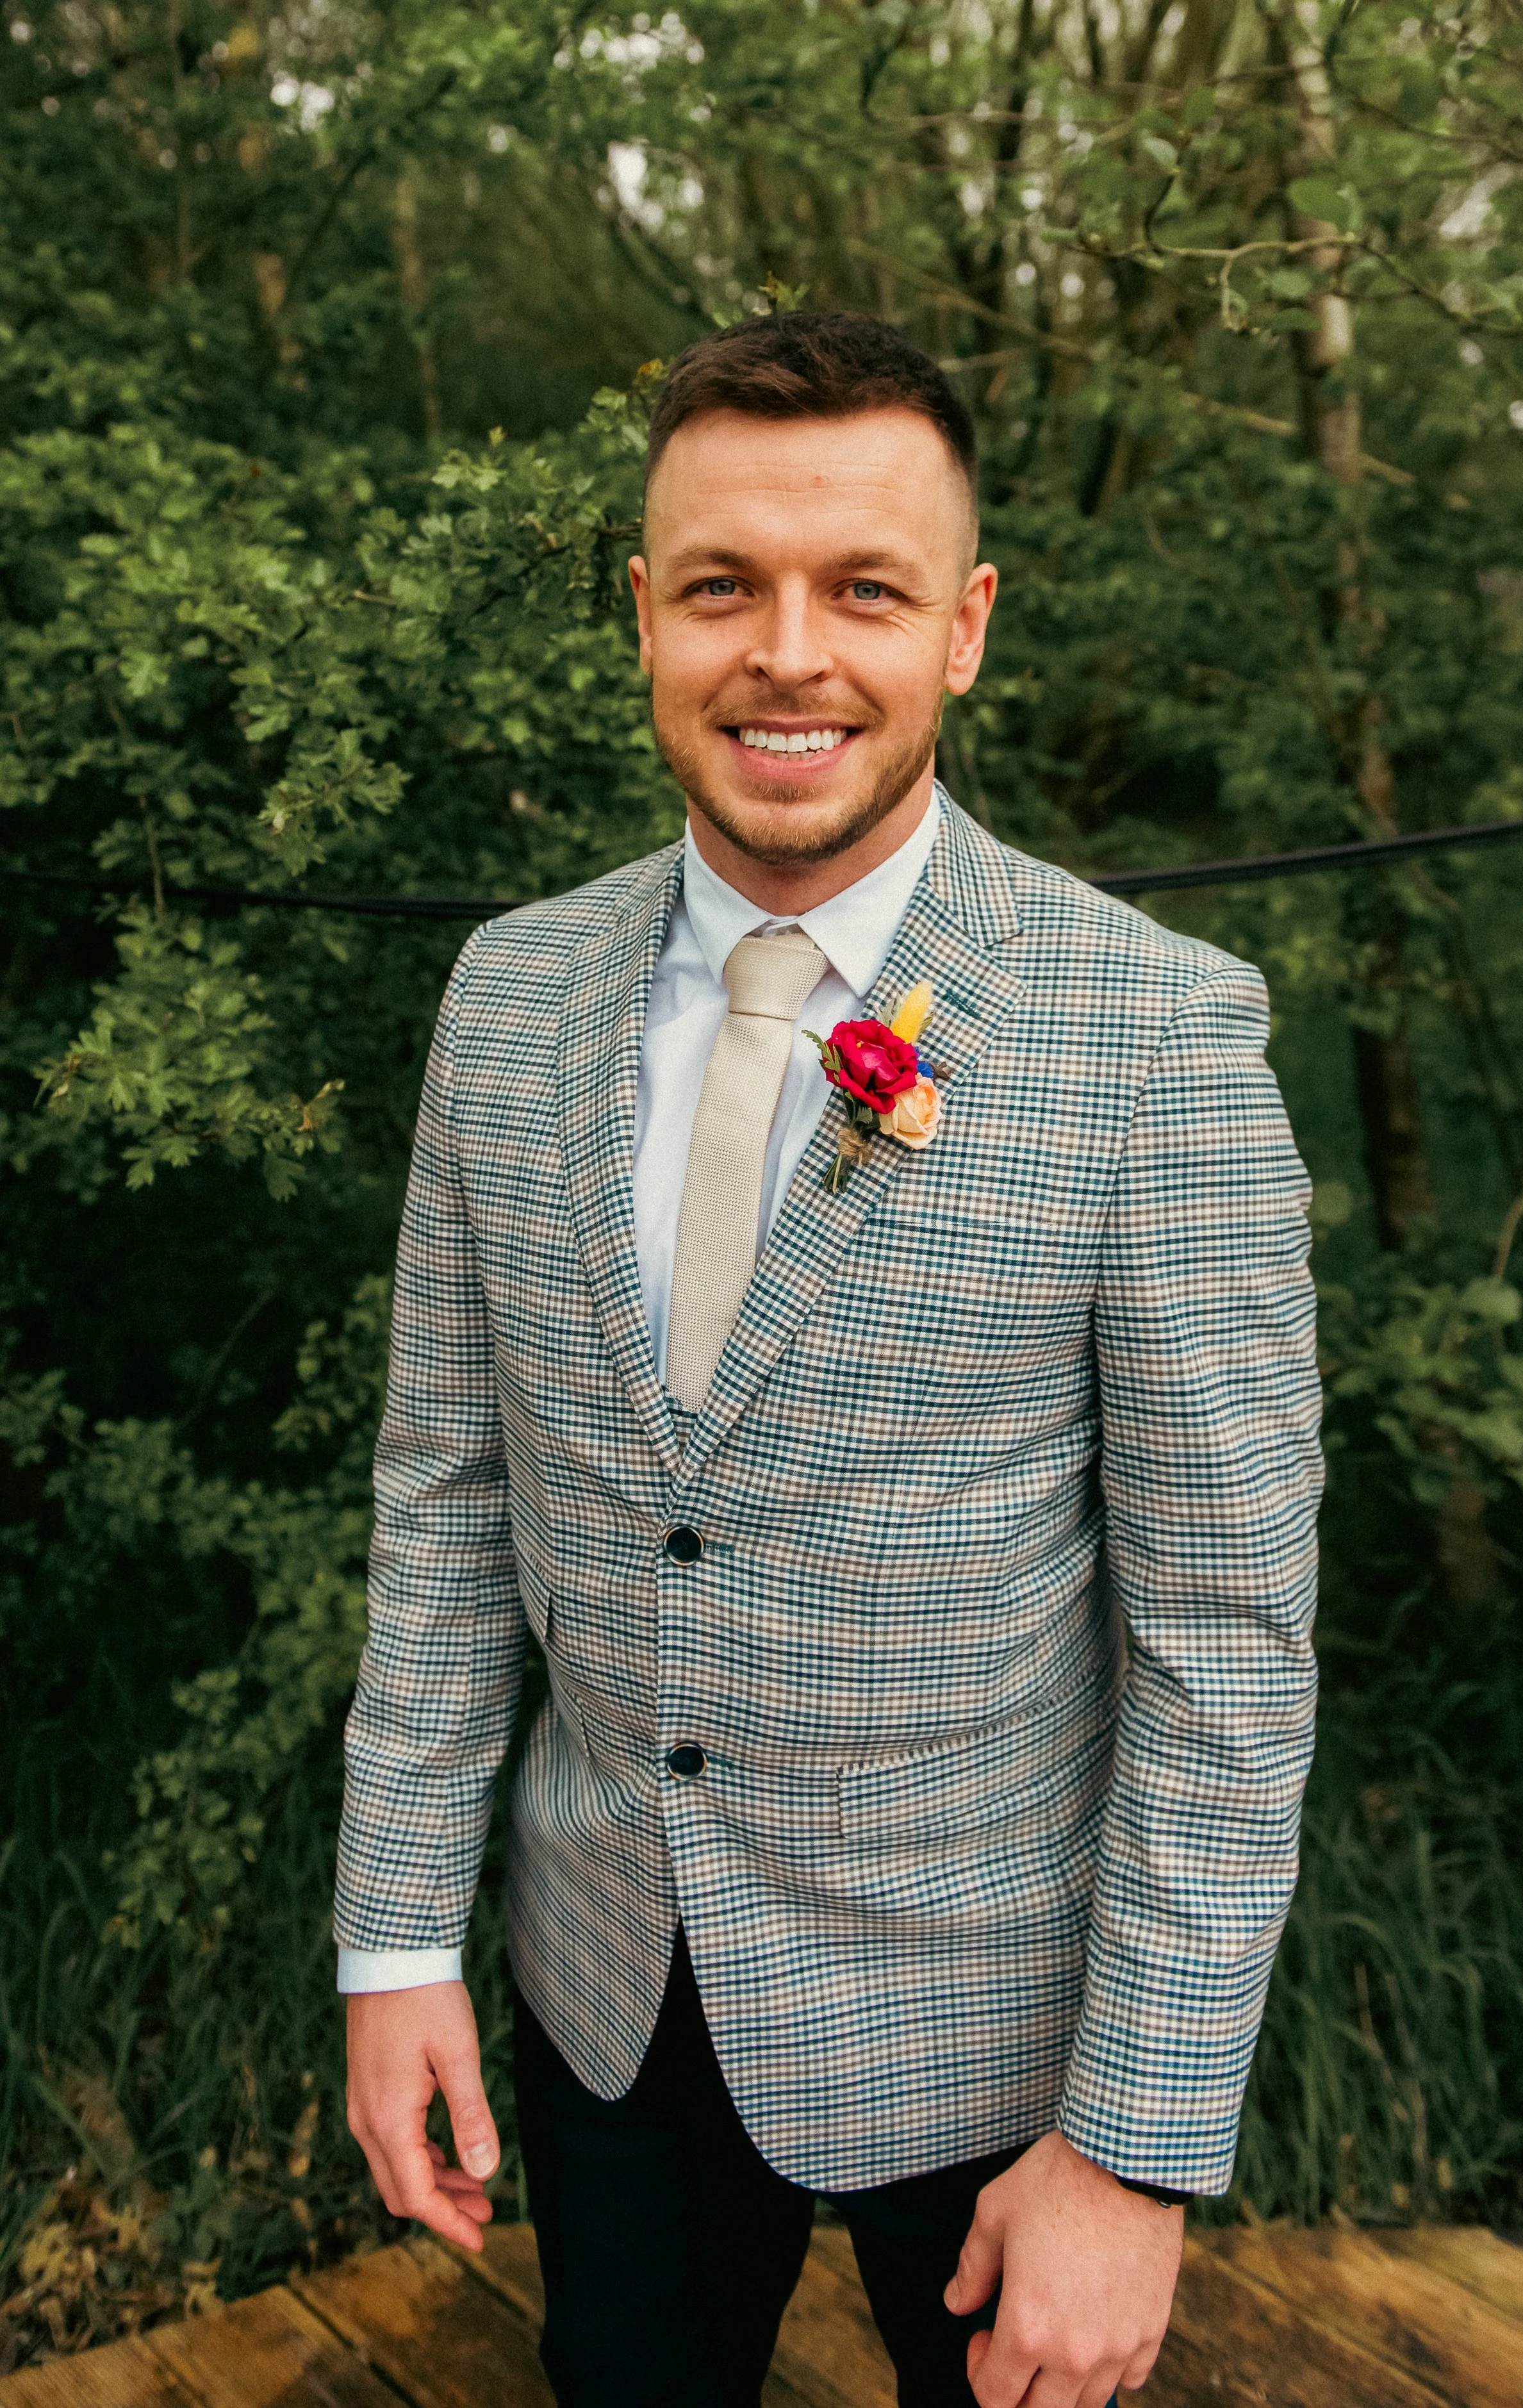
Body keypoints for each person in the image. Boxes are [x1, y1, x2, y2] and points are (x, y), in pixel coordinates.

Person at [336, 311, 1323, 2408]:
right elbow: (442, 1502)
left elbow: (1225, 1638)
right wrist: (396, 1933)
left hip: (999, 2044)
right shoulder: (503, 1001)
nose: (789, 651)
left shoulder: (1152, 1035)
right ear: (644, 615)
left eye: (861, 588)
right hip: (601, 1988)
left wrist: (1133, 2146)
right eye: (722, 586)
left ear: (960, 627)